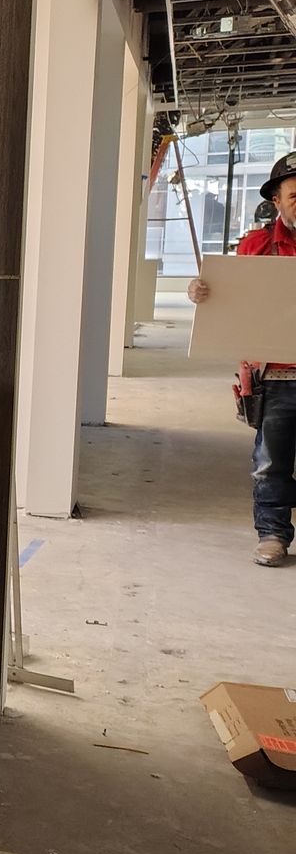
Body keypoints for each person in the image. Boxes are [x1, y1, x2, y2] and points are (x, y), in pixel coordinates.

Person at [187, 150, 296, 566]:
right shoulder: (257, 246)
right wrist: (199, 292)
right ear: (277, 200)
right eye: (294, 193)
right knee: (270, 463)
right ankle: (272, 534)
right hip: (274, 377)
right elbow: (226, 294)